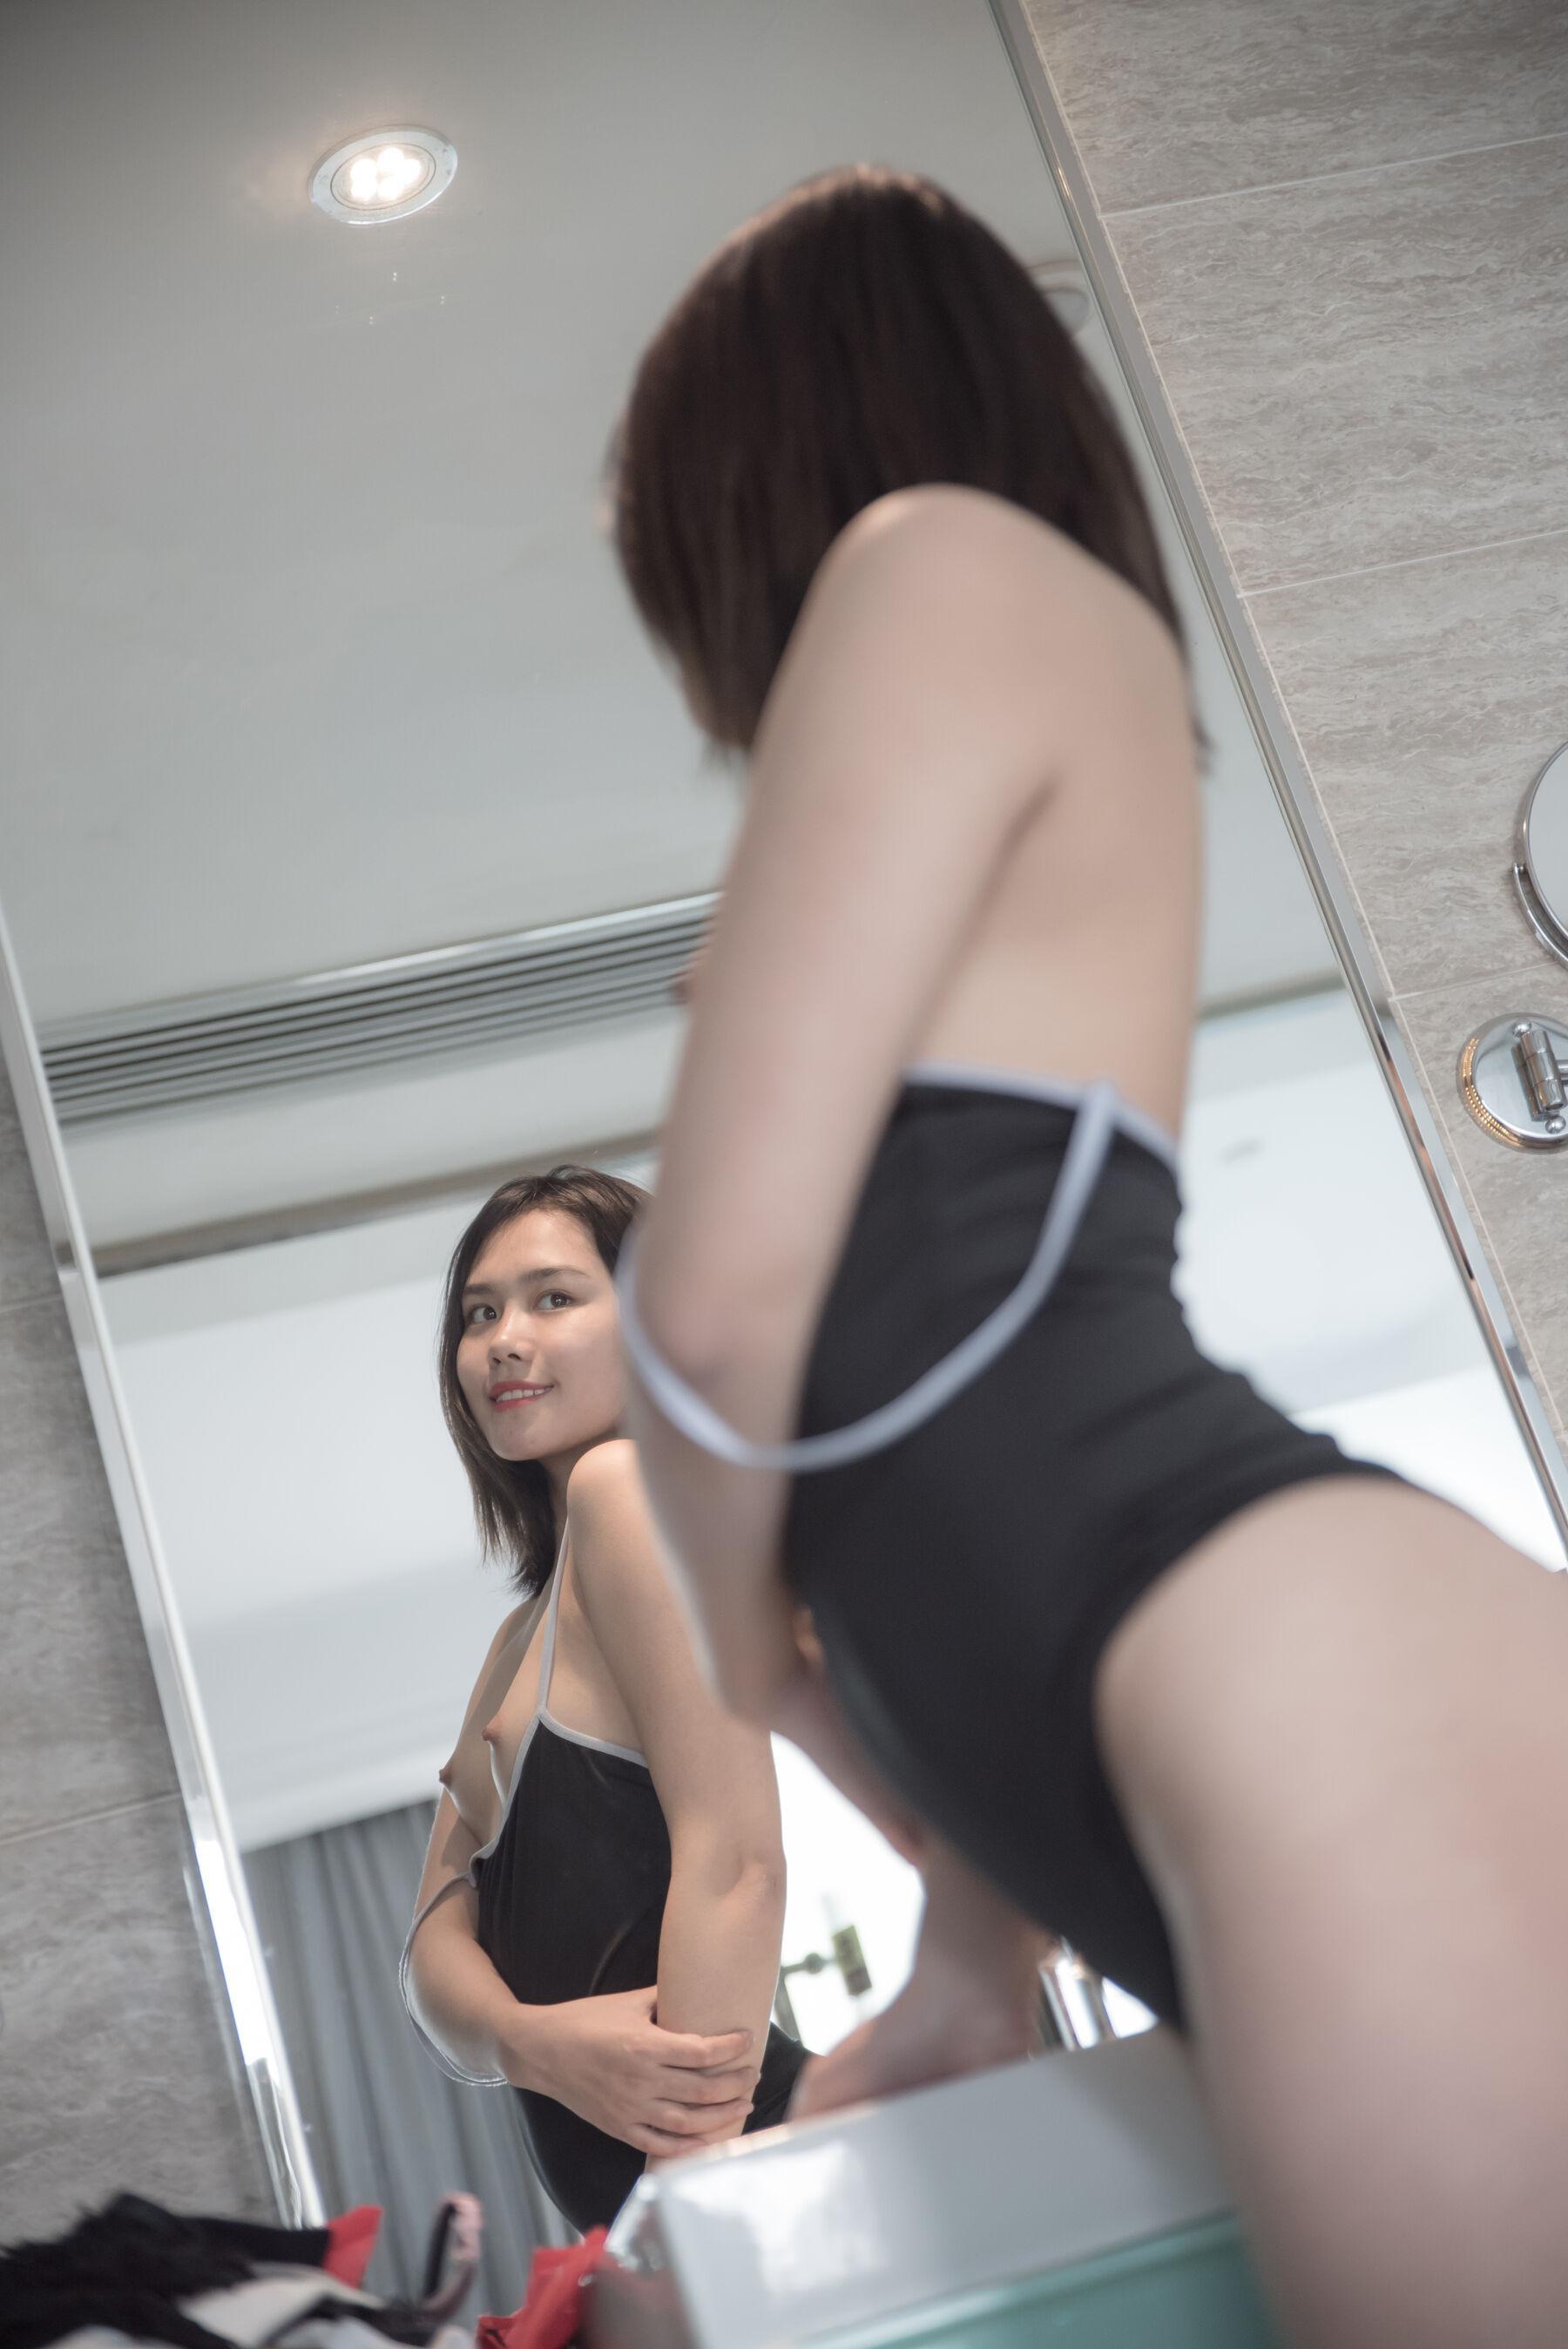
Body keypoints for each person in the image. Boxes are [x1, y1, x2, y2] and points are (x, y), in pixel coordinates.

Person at [607, 166, 1568, 2347]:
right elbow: (939, 1443)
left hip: (1315, 1676)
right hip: (1247, 1709)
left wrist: (749, 1664)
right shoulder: (1014, 661)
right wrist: (972, 1949)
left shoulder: (936, 559)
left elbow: (717, 1309)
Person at [401, 1166, 807, 2233]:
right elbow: (431, 1945)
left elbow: (739, 1860)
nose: (504, 1339)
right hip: (674, 2204)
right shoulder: (516, 1639)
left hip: (741, 2176)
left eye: (553, 1297)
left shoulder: (621, 1490)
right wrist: (532, 2044)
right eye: (479, 1313)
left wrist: (689, 2207)